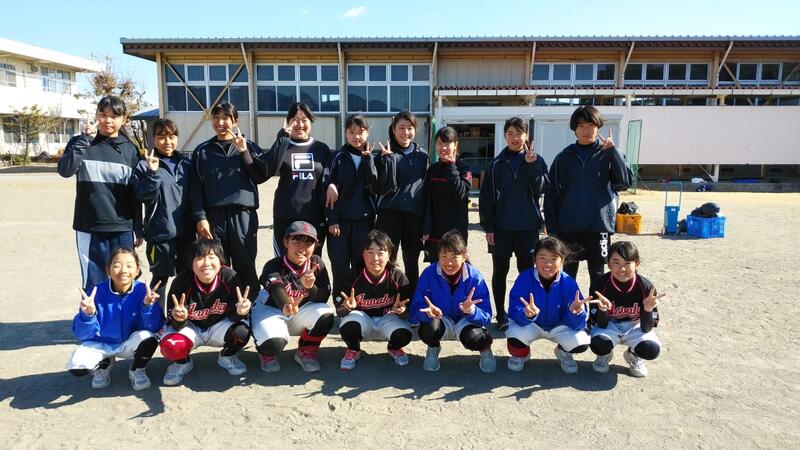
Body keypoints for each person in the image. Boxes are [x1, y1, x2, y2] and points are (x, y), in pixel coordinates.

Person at [58, 95, 142, 292]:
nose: (107, 121)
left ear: (124, 119)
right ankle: (93, 313)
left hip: (122, 226)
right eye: (103, 115)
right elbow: (65, 170)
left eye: (114, 116)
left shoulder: (130, 149)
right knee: (94, 283)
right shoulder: (80, 142)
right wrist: (85, 140)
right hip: (90, 225)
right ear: (96, 116)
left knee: (124, 280)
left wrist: (138, 227)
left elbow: (134, 194)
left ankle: (122, 313)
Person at [544, 105, 633, 292]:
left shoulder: (608, 153)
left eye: (591, 125)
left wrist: (613, 153)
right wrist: (552, 229)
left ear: (598, 126)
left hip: (598, 225)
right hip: (569, 226)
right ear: (574, 129)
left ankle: (595, 309)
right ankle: (569, 308)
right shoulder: (564, 157)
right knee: (568, 275)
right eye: (581, 126)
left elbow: (623, 184)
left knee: (598, 274)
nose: (586, 130)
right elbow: (552, 194)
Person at [189, 101, 267, 300]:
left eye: (226, 118)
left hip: (243, 214)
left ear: (235, 121)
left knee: (245, 263)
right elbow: (195, 188)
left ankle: (250, 306)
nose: (220, 122)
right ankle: (221, 305)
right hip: (214, 216)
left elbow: (260, 176)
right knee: (217, 263)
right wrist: (200, 217)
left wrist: (243, 151)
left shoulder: (249, 146)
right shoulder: (202, 151)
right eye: (216, 117)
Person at [479, 117, 548, 331]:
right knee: (500, 271)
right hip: (501, 229)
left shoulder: (536, 160)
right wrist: (488, 227)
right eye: (510, 133)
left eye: (519, 133)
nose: (515, 137)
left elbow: (541, 189)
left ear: (526, 135)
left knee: (527, 273)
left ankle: (525, 311)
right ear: (505, 136)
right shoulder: (496, 165)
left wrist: (532, 165)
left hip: (528, 228)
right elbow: (486, 199)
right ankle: (501, 314)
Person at [66, 247, 163, 391]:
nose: (123, 270)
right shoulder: (95, 293)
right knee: (77, 368)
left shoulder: (143, 291)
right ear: (108, 270)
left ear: (137, 271)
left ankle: (137, 369)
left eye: (129, 266)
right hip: (101, 343)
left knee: (149, 338)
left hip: (129, 343)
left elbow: (154, 327)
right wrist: (88, 315)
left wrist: (148, 307)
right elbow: (82, 335)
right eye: (117, 265)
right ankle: (104, 363)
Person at [159, 239, 252, 386]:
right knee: (170, 345)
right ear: (191, 264)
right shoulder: (182, 281)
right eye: (200, 258)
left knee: (242, 332)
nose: (206, 263)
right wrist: (179, 319)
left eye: (212, 257)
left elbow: (234, 317)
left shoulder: (229, 277)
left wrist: (240, 312)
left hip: (218, 326)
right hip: (191, 327)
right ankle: (183, 363)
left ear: (221, 261)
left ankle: (227, 356)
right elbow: (174, 324)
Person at [250, 221, 334, 373]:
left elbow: (323, 297)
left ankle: (306, 351)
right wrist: (286, 304)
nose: (302, 248)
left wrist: (311, 287)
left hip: (299, 312)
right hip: (270, 310)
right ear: (286, 242)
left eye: (308, 243)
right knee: (273, 343)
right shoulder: (274, 265)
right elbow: (276, 288)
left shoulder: (316, 264)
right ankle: (266, 353)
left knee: (325, 314)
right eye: (297, 242)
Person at [409, 230, 496, 373]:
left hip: (466, 321)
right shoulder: (429, 273)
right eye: (444, 256)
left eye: (454, 257)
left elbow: (487, 316)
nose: (449, 263)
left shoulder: (474, 277)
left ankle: (485, 349)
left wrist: (472, 311)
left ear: (464, 256)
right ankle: (433, 347)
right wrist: (427, 313)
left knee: (477, 338)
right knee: (427, 330)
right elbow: (415, 309)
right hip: (441, 319)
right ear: (438, 255)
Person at [506, 236, 592, 374]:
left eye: (553, 258)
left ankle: (563, 352)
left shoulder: (568, 282)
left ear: (562, 260)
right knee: (514, 334)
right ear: (534, 259)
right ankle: (521, 354)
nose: (548, 263)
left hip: (559, 325)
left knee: (581, 342)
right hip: (532, 324)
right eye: (542, 258)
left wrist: (575, 313)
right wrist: (526, 314)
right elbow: (513, 310)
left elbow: (579, 324)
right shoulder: (525, 278)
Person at [258, 102, 332, 257]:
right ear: (288, 121)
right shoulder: (283, 145)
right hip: (286, 214)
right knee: (284, 261)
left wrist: (333, 186)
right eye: (295, 120)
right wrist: (282, 138)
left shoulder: (321, 149)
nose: (300, 125)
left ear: (311, 122)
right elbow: (267, 170)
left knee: (312, 262)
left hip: (314, 215)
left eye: (304, 120)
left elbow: (330, 176)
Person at [335, 230, 414, 370]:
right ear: (363, 254)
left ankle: (394, 348)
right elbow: (339, 311)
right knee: (349, 326)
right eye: (370, 252)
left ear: (389, 254)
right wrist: (346, 307)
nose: (375, 258)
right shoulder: (353, 274)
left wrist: (402, 311)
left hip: (387, 318)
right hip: (361, 319)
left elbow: (409, 312)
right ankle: (353, 349)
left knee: (404, 334)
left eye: (381, 253)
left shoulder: (397, 276)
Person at [133, 118, 193, 302]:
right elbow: (142, 196)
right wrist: (152, 173)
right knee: (160, 279)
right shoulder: (143, 165)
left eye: (172, 136)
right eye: (161, 137)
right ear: (153, 139)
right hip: (159, 235)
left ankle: (182, 315)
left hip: (186, 234)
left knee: (186, 278)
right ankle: (156, 316)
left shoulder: (186, 164)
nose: (167, 141)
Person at [322, 114, 382, 296]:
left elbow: (376, 186)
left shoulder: (374, 158)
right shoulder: (337, 157)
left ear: (368, 132)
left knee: (360, 265)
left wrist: (368, 160)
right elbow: (327, 189)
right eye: (352, 132)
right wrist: (332, 219)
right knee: (339, 265)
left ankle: (360, 303)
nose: (356, 136)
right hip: (339, 224)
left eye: (361, 132)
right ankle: (341, 303)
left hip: (364, 222)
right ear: (345, 133)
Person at [589, 241, 664, 377]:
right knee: (599, 344)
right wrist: (603, 311)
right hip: (610, 325)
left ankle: (634, 355)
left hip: (635, 325)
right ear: (608, 264)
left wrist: (647, 309)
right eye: (616, 262)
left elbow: (647, 328)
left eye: (628, 263)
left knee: (650, 349)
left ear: (637, 264)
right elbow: (601, 324)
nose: (622, 269)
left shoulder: (646, 287)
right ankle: (604, 355)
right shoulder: (599, 284)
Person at [374, 111, 429, 285]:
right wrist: (385, 161)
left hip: (413, 215)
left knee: (411, 260)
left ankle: (411, 296)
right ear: (393, 130)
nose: (406, 132)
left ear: (415, 130)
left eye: (410, 128)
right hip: (389, 215)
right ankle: (388, 295)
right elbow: (378, 187)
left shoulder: (423, 155)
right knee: (388, 259)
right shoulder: (384, 153)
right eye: (401, 128)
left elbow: (426, 188)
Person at [422, 126, 472, 261]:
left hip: (456, 232)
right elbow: (426, 200)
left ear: (455, 144)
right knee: (436, 268)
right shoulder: (432, 169)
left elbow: (460, 193)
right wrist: (426, 227)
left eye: (447, 143)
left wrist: (451, 166)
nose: (443, 147)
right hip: (435, 232)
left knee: (456, 266)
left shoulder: (463, 168)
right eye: (440, 143)